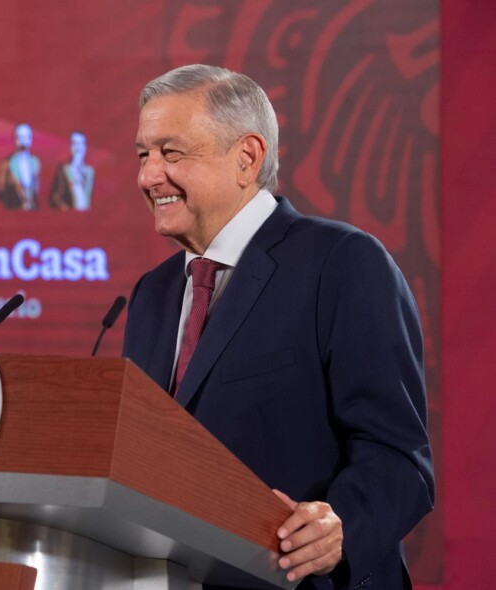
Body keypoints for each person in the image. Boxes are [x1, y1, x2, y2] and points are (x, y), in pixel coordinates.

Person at [122, 64, 434, 590]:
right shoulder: (152, 294)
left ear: (247, 158)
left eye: (171, 154)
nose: (149, 176)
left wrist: (340, 527)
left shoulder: (343, 262)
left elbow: (401, 459)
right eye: (143, 155)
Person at [0, 123, 41, 210]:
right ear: (15, 139)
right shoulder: (6, 163)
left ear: (30, 139)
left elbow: (37, 189)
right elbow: (0, 190)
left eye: (26, 137)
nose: (23, 141)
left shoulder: (35, 162)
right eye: (19, 137)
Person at [49, 131, 94, 211]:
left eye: (81, 144)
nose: (78, 147)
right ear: (70, 147)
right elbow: (54, 198)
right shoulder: (63, 169)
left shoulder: (89, 172)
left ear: (85, 147)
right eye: (75, 144)